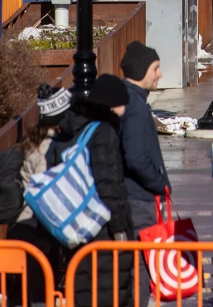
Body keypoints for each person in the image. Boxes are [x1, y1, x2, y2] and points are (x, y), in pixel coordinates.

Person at [48, 75, 134, 307]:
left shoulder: (67, 131)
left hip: (74, 227)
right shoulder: (103, 133)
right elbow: (108, 184)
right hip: (102, 231)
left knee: (82, 291)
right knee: (109, 292)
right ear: (112, 105)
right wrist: (120, 230)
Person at [10, 85, 73, 305]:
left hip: (26, 225)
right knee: (38, 293)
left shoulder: (33, 140)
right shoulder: (50, 146)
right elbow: (45, 194)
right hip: (38, 228)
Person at [118, 40, 169, 305]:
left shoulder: (129, 102)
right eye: (155, 68)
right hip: (140, 200)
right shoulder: (136, 109)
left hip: (134, 199)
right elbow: (136, 157)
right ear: (141, 71)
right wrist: (160, 183)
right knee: (142, 268)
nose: (160, 75)